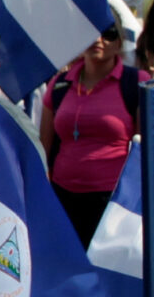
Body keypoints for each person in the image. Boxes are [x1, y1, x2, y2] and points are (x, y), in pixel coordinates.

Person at [42, 20, 143, 245]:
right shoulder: (59, 84)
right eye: (91, 32)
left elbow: (144, 149)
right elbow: (43, 148)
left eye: (108, 34)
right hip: (62, 197)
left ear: (119, 42)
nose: (98, 40)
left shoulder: (137, 82)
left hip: (112, 203)